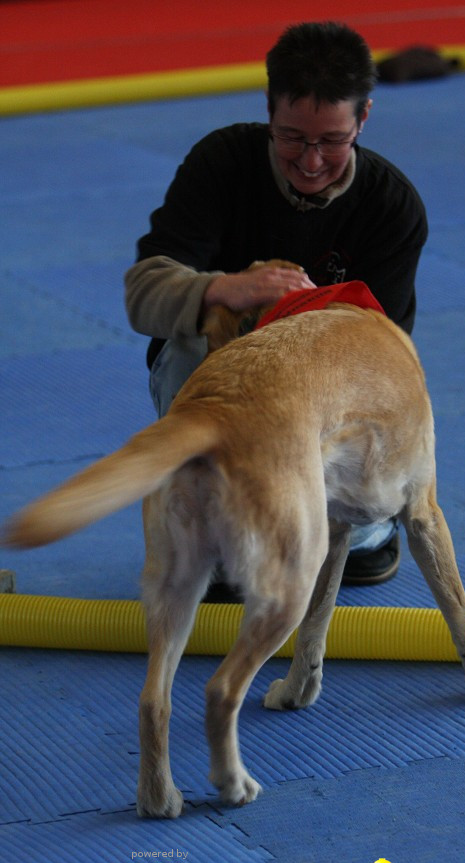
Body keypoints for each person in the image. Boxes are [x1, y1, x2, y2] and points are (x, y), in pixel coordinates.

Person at [125, 20, 428, 586]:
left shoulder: (393, 207)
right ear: (268, 110)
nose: (311, 161)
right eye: (292, 137)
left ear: (363, 118)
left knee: (356, 518)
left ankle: (331, 522)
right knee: (195, 328)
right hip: (228, 396)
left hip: (320, 406)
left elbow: (386, 363)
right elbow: (143, 294)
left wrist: (306, 317)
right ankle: (218, 515)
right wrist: (226, 289)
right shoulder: (221, 163)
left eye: (332, 141)